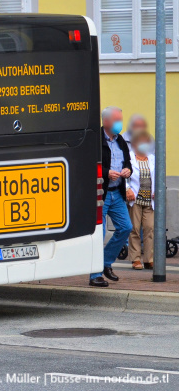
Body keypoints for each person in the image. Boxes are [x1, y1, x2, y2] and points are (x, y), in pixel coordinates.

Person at [90, 106, 133, 288]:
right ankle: (95, 275)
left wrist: (128, 170)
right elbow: (88, 164)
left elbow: (128, 161)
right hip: (101, 193)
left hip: (117, 192)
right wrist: (107, 173)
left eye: (121, 119)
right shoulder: (96, 139)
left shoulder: (120, 140)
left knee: (126, 227)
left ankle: (106, 263)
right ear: (106, 121)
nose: (120, 123)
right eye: (116, 120)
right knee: (99, 233)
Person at [126, 131, 157, 270]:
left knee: (150, 228)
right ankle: (135, 259)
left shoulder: (152, 159)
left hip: (149, 200)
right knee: (135, 229)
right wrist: (127, 189)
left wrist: (158, 190)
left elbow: (158, 177)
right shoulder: (130, 158)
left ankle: (148, 259)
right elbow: (124, 177)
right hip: (135, 199)